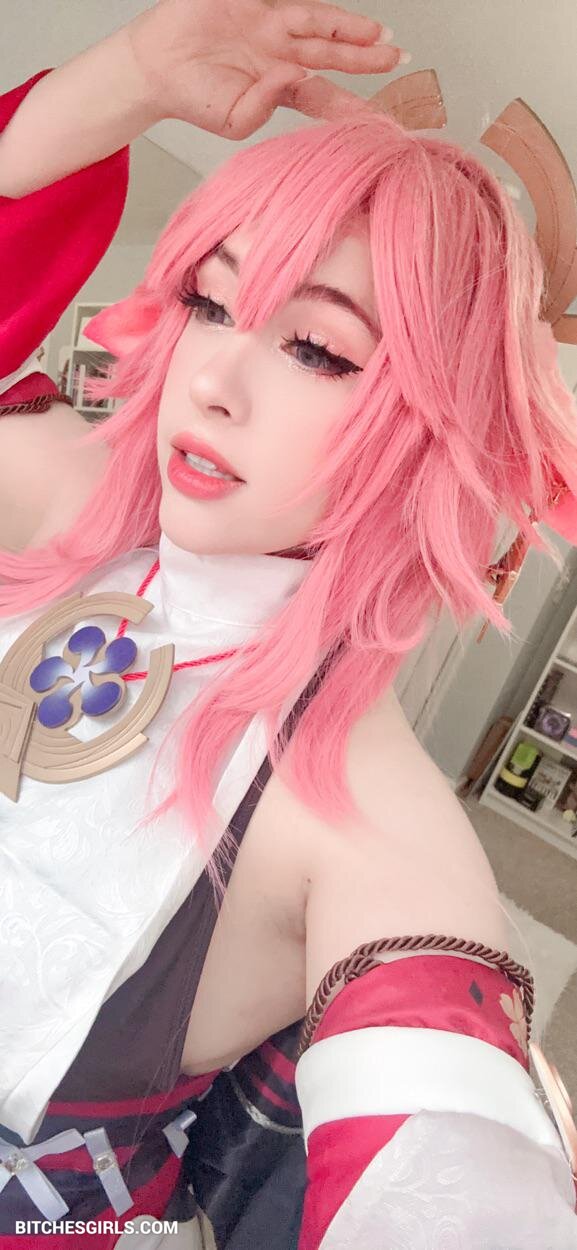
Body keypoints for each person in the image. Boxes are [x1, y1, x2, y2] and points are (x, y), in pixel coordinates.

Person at [0, 1, 576, 1246]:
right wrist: (126, 79)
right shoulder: (70, 501)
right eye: (210, 304)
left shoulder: (365, 819)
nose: (210, 378)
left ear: (433, 423)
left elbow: (448, 1180)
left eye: (315, 348)